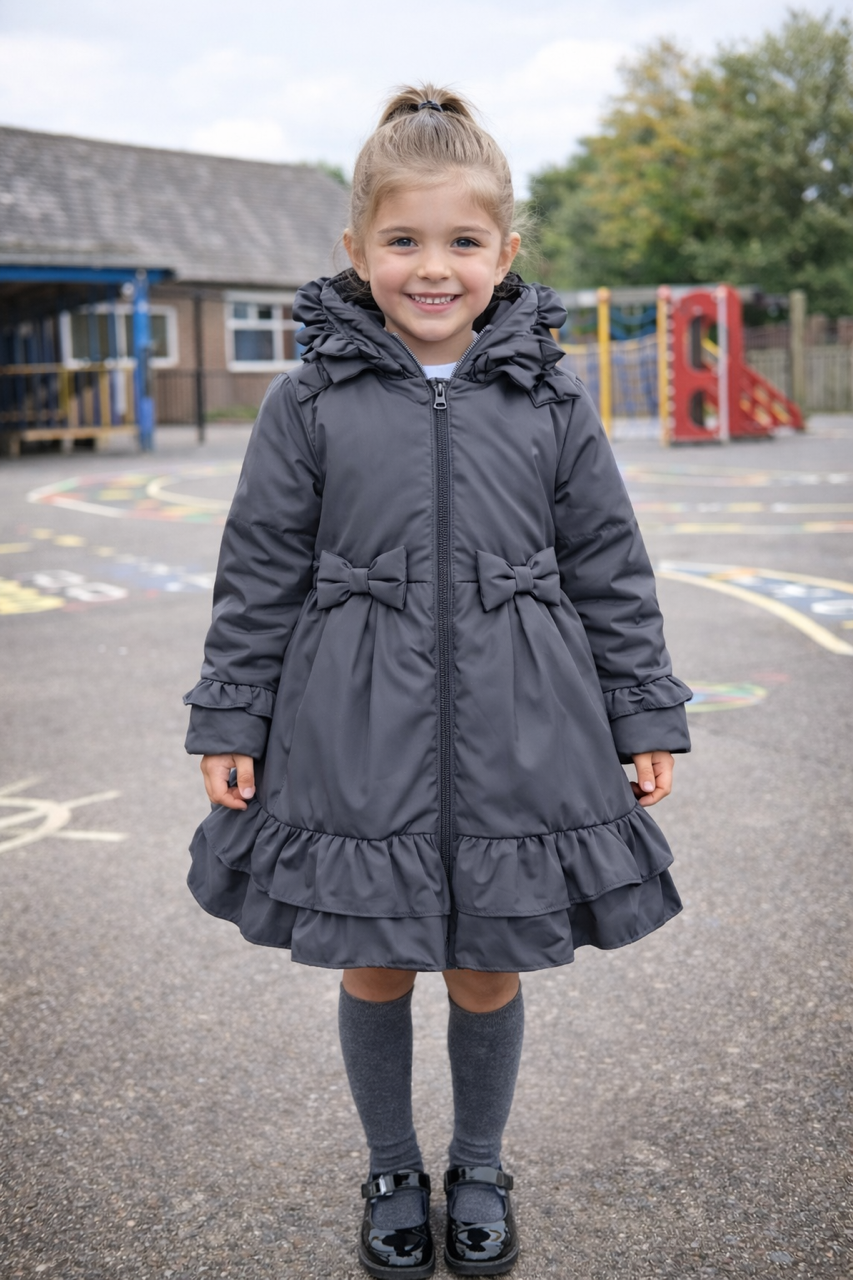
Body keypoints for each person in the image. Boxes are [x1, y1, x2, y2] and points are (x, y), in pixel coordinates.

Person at [183, 83, 691, 1280]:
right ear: (356, 249)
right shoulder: (306, 400)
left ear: (504, 253)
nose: (431, 267)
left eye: (461, 241)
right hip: (353, 728)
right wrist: (230, 714)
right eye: (402, 239)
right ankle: (388, 1165)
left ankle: (478, 1163)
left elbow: (609, 564)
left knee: (486, 958)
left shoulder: (550, 397)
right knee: (373, 955)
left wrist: (642, 709)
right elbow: (257, 571)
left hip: (525, 724)